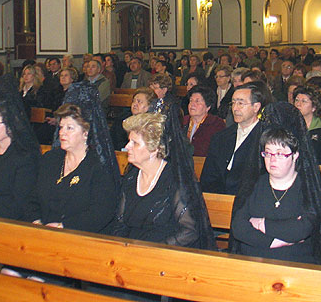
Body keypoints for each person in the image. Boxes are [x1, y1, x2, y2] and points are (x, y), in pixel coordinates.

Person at [230, 102, 321, 265]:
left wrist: (262, 223)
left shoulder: (307, 186)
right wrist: (274, 242)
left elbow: (302, 229)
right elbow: (238, 226)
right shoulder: (256, 184)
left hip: (295, 264)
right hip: (253, 262)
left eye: (280, 154)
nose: (272, 159)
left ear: (295, 156)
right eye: (268, 153)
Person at [112, 109, 215, 249]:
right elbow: (120, 223)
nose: (127, 147)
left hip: (165, 255)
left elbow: (190, 231)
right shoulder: (131, 178)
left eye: (134, 143)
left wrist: (151, 251)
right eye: (129, 141)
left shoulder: (176, 181)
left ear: (154, 149)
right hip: (131, 253)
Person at [29, 92, 119, 233]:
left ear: (85, 133)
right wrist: (36, 221)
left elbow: (101, 212)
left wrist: (63, 227)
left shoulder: (97, 166)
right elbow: (32, 198)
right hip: (41, 235)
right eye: (61, 127)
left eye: (69, 128)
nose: (62, 133)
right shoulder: (50, 159)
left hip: (77, 238)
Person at [200, 82, 269, 194]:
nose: (235, 108)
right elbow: (208, 177)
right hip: (218, 199)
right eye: (233, 103)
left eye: (241, 103)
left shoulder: (266, 138)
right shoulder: (221, 137)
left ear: (256, 107)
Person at [293, 85, 321, 164]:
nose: (298, 104)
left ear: (314, 107)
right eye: (296, 100)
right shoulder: (288, 125)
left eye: (303, 101)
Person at [183, 85, 225, 156]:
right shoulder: (182, 121)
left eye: (197, 101)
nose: (192, 104)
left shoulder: (216, 124)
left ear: (208, 107)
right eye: (191, 101)